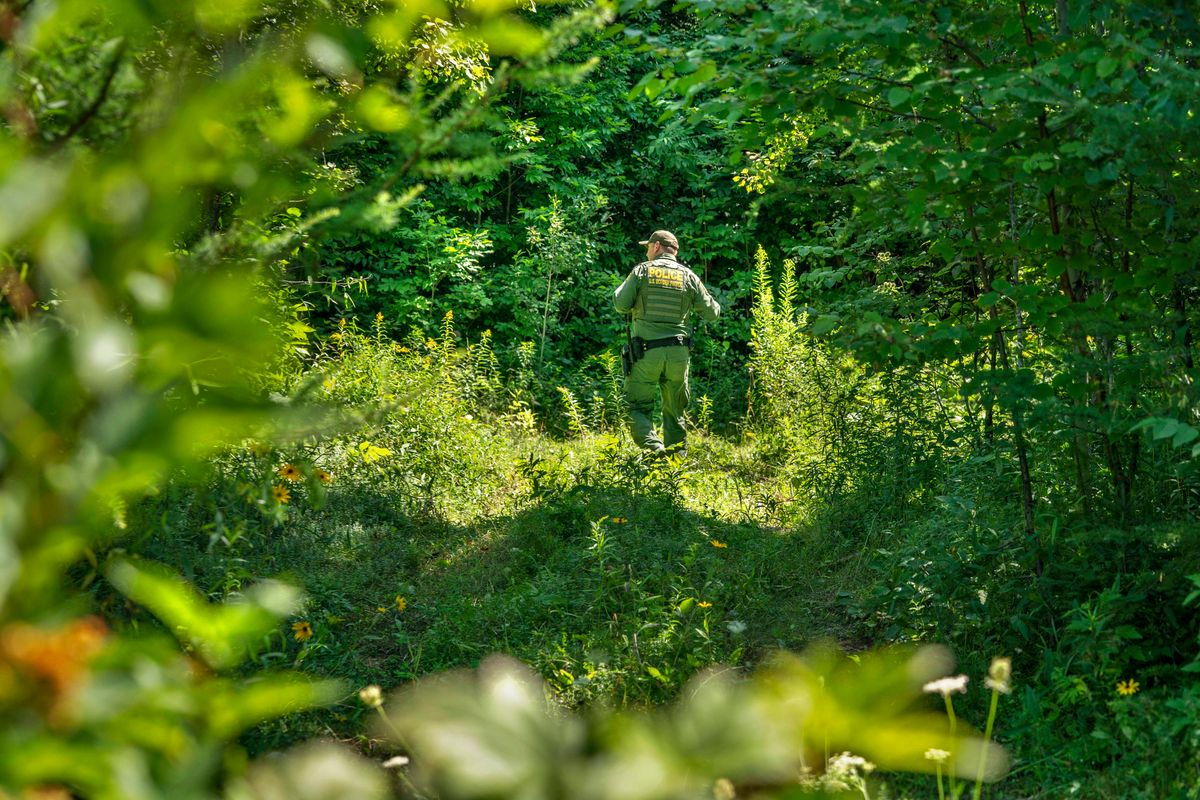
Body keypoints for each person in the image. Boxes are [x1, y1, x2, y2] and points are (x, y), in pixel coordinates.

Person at [614, 230, 720, 457]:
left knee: (634, 407)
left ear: (656, 247)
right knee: (675, 411)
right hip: (678, 355)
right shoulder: (689, 276)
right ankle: (675, 467)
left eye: (647, 247)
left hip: (645, 353)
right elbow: (712, 313)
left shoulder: (642, 271)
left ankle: (655, 449)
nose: (647, 251)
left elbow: (621, 305)